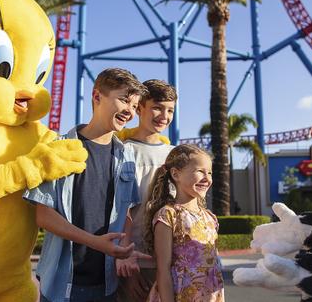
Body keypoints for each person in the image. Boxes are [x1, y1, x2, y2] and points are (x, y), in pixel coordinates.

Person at [24, 68, 149, 302]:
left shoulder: (126, 155)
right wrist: (97, 243)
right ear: (97, 96)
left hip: (107, 284)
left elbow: (127, 211)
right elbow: (43, 215)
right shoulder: (58, 147)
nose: (130, 111)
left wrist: (123, 248)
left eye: (134, 106)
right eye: (124, 100)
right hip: (62, 285)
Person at [116, 79, 177, 301]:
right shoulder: (123, 150)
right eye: (157, 107)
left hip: (169, 259)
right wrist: (124, 253)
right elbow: (120, 207)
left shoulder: (174, 155)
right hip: (132, 259)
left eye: (170, 110)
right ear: (140, 107)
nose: (164, 115)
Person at [144, 144, 225, 302]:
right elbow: (163, 269)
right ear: (176, 174)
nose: (207, 178)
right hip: (179, 295)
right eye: (200, 171)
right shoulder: (168, 215)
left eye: (209, 172)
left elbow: (214, 266)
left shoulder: (210, 218)